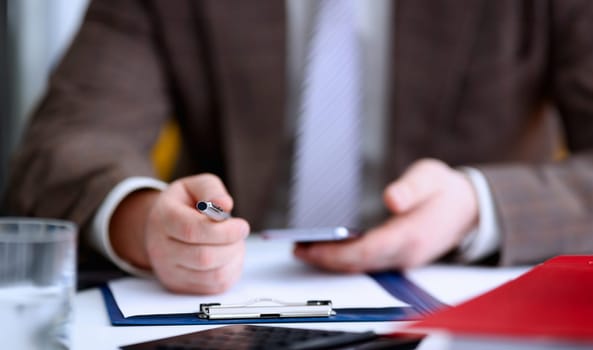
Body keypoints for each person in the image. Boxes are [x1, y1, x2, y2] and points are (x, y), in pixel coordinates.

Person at [5, 0, 593, 294]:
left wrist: (476, 204)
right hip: (221, 304)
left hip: (459, 299)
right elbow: (67, 139)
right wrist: (143, 221)